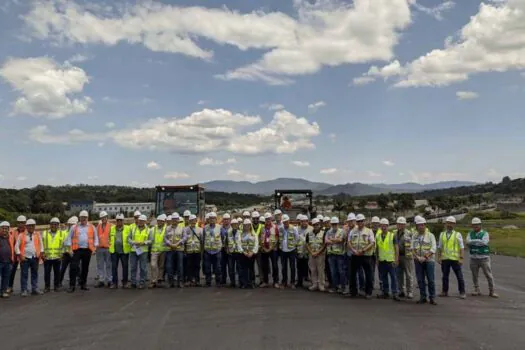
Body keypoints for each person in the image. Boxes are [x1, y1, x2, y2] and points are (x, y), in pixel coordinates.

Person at [65, 211, 98, 293]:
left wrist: (95, 248)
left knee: (85, 268)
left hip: (87, 250)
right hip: (77, 250)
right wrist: (70, 249)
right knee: (73, 267)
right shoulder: (74, 227)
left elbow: (95, 237)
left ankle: (83, 284)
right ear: (79, 218)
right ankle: (72, 285)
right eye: (82, 217)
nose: (83, 219)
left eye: (85, 217)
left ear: (87, 218)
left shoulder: (92, 227)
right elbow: (69, 237)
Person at [466, 217, 498, 298]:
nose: (475, 226)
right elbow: (468, 242)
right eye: (474, 225)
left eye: (477, 225)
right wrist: (477, 241)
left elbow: (484, 242)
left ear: (480, 225)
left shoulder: (485, 233)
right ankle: (476, 290)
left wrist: (473, 242)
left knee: (488, 275)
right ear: (472, 225)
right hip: (473, 258)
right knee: (474, 275)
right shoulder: (470, 233)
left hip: (484, 258)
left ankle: (492, 291)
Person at [347, 214, 375, 299]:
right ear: (356, 222)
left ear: (364, 221)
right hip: (355, 255)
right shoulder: (352, 231)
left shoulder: (369, 231)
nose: (360, 223)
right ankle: (353, 292)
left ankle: (368, 292)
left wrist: (363, 250)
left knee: (368, 274)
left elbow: (372, 243)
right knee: (352, 274)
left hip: (366, 255)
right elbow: (349, 242)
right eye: (358, 221)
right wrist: (354, 250)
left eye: (362, 221)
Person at [437, 216, 466, 299]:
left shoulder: (457, 234)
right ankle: (444, 291)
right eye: (448, 223)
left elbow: (461, 247)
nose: (449, 225)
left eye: (451, 223)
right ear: (446, 224)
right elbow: (440, 247)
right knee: (445, 276)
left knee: (459, 276)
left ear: (454, 224)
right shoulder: (442, 234)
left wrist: (461, 258)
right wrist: (439, 257)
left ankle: (462, 292)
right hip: (445, 258)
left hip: (455, 259)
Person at [15, 218, 44, 296]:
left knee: (34, 274)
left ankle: (34, 289)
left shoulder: (37, 234)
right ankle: (24, 290)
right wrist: (20, 256)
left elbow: (41, 245)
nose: (31, 227)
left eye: (32, 226)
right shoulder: (22, 235)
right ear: (26, 227)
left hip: (35, 258)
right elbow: (16, 247)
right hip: (25, 258)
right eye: (29, 226)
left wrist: (40, 254)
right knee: (24, 275)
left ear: (34, 226)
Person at [412, 216, 437, 305]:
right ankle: (423, 297)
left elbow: (433, 248)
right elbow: (412, 248)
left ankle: (432, 297)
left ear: (425, 225)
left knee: (431, 280)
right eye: (419, 225)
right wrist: (417, 257)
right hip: (418, 261)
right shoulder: (414, 236)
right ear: (416, 226)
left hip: (429, 261)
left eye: (422, 225)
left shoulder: (430, 235)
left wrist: (425, 257)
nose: (421, 227)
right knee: (420, 280)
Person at [376, 219, 400, 301]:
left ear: (388, 226)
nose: (383, 227)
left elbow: (396, 248)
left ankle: (395, 293)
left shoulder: (392, 235)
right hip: (382, 260)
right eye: (382, 225)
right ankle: (385, 292)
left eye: (385, 225)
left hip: (391, 260)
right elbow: (377, 249)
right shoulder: (378, 236)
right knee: (384, 277)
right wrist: (377, 259)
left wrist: (396, 259)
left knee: (394, 278)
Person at [42, 217, 65, 292]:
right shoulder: (45, 233)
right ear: (50, 225)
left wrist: (62, 254)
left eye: (56, 224)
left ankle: (56, 286)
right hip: (47, 257)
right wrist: (42, 254)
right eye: (52, 224)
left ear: (58, 225)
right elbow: (41, 244)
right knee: (47, 274)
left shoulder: (61, 233)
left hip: (57, 257)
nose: (54, 226)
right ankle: (47, 287)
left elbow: (64, 245)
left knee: (57, 273)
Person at [394, 216, 414, 299]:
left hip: (407, 257)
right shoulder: (395, 233)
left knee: (408, 275)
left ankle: (410, 292)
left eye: (402, 224)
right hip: (398, 256)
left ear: (405, 225)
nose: (400, 225)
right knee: (399, 275)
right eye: (399, 224)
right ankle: (401, 291)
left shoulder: (409, 233)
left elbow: (413, 245)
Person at [165, 214, 188, 288]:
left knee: (180, 266)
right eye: (173, 219)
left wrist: (178, 243)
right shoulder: (167, 228)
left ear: (178, 220)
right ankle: (170, 282)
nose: (174, 221)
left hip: (179, 249)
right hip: (170, 249)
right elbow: (165, 238)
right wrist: (170, 244)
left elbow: (185, 237)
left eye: (176, 219)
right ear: (171, 220)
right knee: (169, 266)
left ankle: (180, 282)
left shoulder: (182, 228)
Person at [129, 215, 150, 289]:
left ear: (145, 221)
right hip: (133, 250)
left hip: (143, 251)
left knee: (143, 268)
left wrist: (144, 243)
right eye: (139, 220)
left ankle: (142, 282)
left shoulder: (148, 230)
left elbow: (151, 240)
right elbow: (128, 238)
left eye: (142, 221)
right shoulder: (133, 228)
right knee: (133, 267)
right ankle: (133, 282)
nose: (140, 222)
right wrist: (133, 242)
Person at [109, 214, 131, 289]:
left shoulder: (128, 228)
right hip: (114, 251)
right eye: (118, 220)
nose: (119, 222)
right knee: (114, 267)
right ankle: (114, 283)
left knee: (125, 267)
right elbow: (109, 238)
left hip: (124, 252)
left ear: (123, 221)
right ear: (116, 221)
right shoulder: (112, 228)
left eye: (120, 220)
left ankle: (125, 282)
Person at [325, 217, 346, 294]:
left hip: (340, 255)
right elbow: (326, 241)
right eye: (333, 224)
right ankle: (335, 287)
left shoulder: (342, 231)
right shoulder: (328, 232)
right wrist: (335, 240)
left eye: (335, 224)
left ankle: (343, 287)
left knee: (341, 271)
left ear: (338, 224)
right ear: (331, 224)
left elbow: (341, 240)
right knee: (333, 272)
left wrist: (332, 240)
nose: (334, 225)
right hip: (331, 255)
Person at [259, 213, 280, 288]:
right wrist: (263, 248)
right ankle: (265, 281)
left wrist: (271, 248)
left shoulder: (275, 227)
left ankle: (276, 281)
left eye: (269, 219)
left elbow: (277, 238)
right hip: (264, 250)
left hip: (273, 249)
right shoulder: (262, 228)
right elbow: (260, 239)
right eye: (266, 219)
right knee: (265, 266)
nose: (267, 220)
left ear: (271, 219)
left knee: (275, 265)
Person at [7, 215, 26, 294]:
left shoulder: (27, 232)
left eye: (22, 223)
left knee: (24, 273)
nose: (20, 224)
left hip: (23, 256)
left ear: (25, 223)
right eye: (19, 223)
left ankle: (23, 289)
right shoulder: (13, 232)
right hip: (14, 256)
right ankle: (9, 287)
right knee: (11, 273)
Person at [203, 212, 222, 287]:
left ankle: (218, 282)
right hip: (208, 251)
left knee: (217, 267)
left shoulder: (219, 227)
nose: (212, 220)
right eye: (210, 218)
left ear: (216, 219)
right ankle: (208, 282)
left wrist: (220, 247)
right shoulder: (205, 228)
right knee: (207, 267)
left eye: (213, 218)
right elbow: (203, 238)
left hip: (217, 251)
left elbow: (223, 237)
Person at [279, 214, 299, 289]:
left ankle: (292, 282)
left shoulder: (294, 228)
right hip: (283, 250)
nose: (285, 223)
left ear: (289, 221)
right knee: (284, 267)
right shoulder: (281, 228)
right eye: (284, 222)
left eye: (286, 221)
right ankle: (284, 282)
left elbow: (297, 238)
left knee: (292, 267)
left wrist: (293, 245)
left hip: (291, 250)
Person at [306, 218, 326, 291]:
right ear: (312, 225)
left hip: (320, 255)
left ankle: (321, 285)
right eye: (314, 225)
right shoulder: (309, 233)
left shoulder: (323, 233)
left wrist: (317, 253)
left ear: (319, 225)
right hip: (312, 254)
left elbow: (324, 245)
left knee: (320, 270)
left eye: (317, 224)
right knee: (313, 270)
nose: (316, 226)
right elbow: (307, 244)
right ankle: (314, 284)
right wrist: (312, 252)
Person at [239, 218, 259, 289]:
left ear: (250, 226)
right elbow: (239, 244)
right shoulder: (241, 234)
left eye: (248, 225)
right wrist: (243, 252)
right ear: (243, 226)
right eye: (245, 225)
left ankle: (252, 282)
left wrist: (252, 252)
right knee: (244, 269)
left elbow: (256, 244)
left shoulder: (254, 234)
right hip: (243, 254)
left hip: (251, 254)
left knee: (251, 269)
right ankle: (244, 283)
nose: (246, 226)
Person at [149, 214, 168, 288]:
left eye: (162, 221)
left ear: (164, 222)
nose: (160, 222)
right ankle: (153, 280)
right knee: (153, 265)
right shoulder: (153, 229)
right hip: (155, 251)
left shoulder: (166, 229)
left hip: (163, 250)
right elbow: (150, 240)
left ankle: (159, 279)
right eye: (159, 221)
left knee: (161, 266)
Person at [59, 216, 78, 288]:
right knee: (63, 268)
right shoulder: (64, 233)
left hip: (74, 253)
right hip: (66, 253)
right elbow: (63, 243)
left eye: (72, 224)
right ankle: (59, 281)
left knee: (75, 268)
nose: (71, 226)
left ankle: (78, 281)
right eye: (70, 224)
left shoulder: (77, 232)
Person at [95, 211, 112, 288]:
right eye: (102, 218)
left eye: (104, 217)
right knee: (100, 265)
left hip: (108, 248)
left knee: (109, 265)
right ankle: (101, 280)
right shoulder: (98, 226)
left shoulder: (111, 226)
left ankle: (109, 280)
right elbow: (95, 237)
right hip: (99, 248)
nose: (103, 219)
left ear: (107, 217)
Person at [185, 215, 203, 286]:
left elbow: (202, 241)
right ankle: (189, 280)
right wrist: (185, 251)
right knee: (189, 266)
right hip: (189, 251)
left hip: (197, 250)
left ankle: (197, 280)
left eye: (194, 220)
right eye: (191, 220)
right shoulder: (186, 229)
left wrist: (201, 251)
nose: (193, 221)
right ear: (189, 221)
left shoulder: (200, 229)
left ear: (196, 221)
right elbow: (184, 241)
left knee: (197, 266)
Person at [225, 218, 242, 288]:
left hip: (238, 253)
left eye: (236, 224)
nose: (234, 226)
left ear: (238, 225)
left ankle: (241, 282)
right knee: (231, 269)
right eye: (233, 224)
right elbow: (225, 242)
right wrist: (227, 250)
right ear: (231, 225)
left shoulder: (240, 232)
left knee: (240, 269)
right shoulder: (228, 232)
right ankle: (232, 283)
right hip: (231, 253)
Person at [0, 221, 15, 298]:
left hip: (8, 261)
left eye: (6, 228)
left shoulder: (11, 237)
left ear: (8, 229)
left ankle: (3, 291)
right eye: (3, 228)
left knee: (6, 277)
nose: (4, 230)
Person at [296, 214, 310, 288]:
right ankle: (299, 282)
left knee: (310, 268)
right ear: (300, 222)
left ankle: (313, 283)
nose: (304, 223)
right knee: (299, 268)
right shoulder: (296, 229)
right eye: (302, 221)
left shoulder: (311, 229)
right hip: (299, 251)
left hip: (309, 252)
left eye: (305, 221)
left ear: (307, 222)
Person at [251, 211, 263, 287]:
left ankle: (262, 280)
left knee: (260, 266)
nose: (255, 220)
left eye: (257, 218)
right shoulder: (249, 227)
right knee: (251, 266)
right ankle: (252, 281)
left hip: (259, 250)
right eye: (254, 218)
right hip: (252, 250)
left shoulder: (262, 227)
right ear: (252, 219)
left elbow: (263, 238)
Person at [220, 213, 232, 286]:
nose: (226, 221)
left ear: (230, 220)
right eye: (225, 219)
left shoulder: (233, 228)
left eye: (227, 219)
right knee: (222, 266)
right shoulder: (220, 229)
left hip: (230, 250)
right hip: (222, 249)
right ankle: (223, 280)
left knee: (230, 266)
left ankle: (232, 280)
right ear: (223, 220)